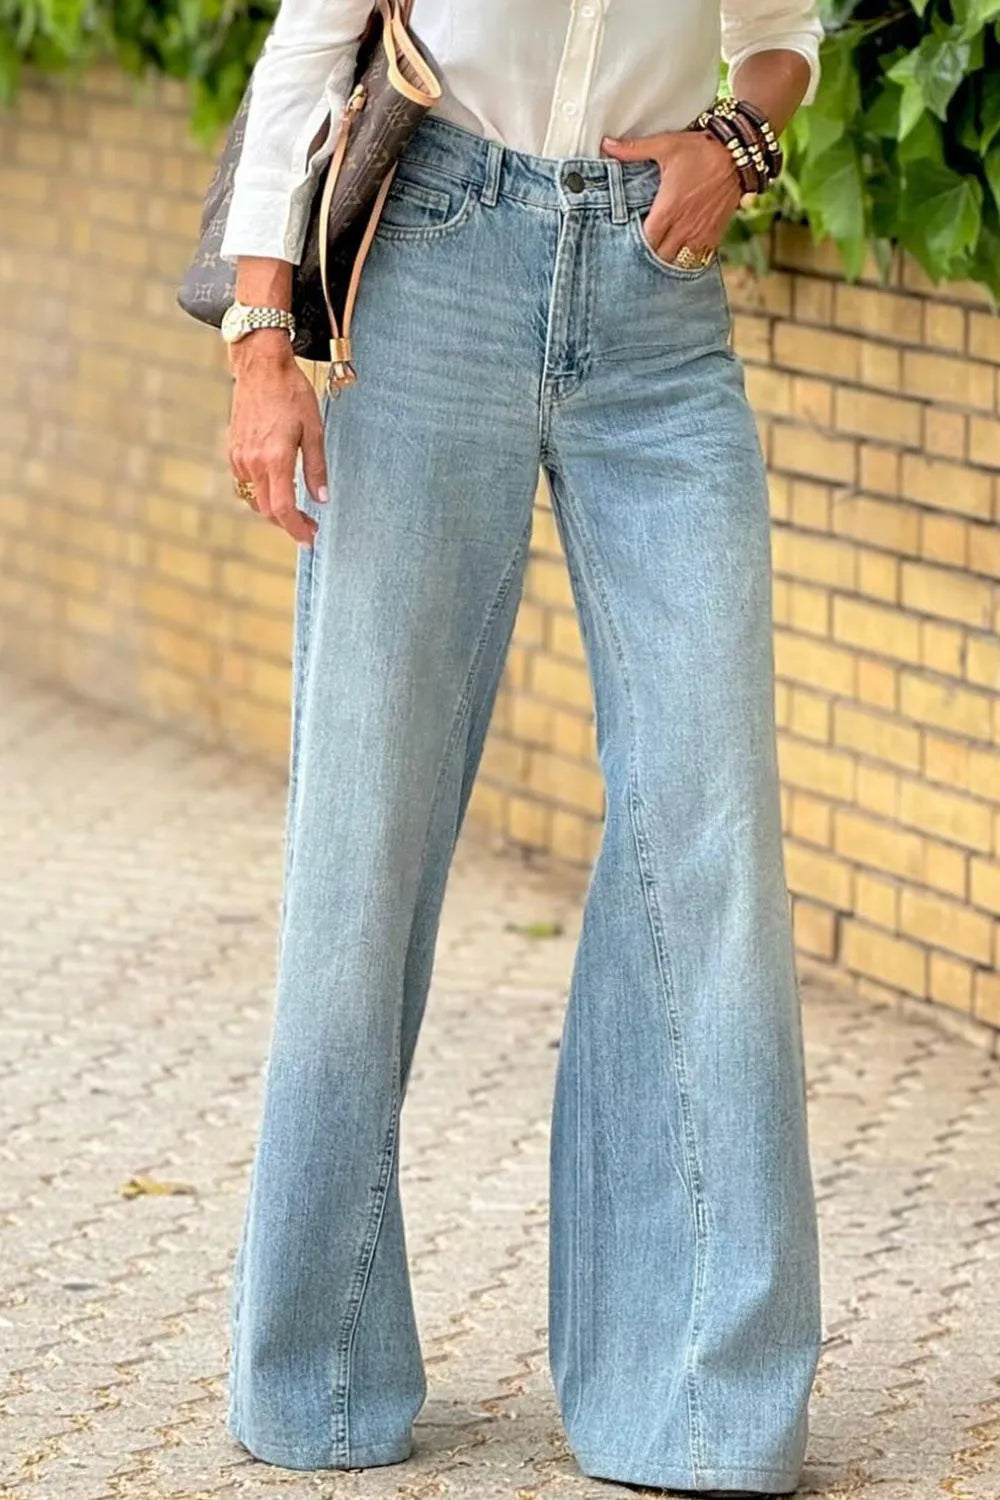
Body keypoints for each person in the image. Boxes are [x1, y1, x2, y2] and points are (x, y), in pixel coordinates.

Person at [218, 3, 825, 1495]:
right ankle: (321, 1366)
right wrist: (259, 338)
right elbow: (308, 51)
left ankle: (700, 1400)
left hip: (657, 305)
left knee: (713, 831)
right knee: (371, 835)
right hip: (434, 273)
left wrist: (735, 148)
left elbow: (783, 35)